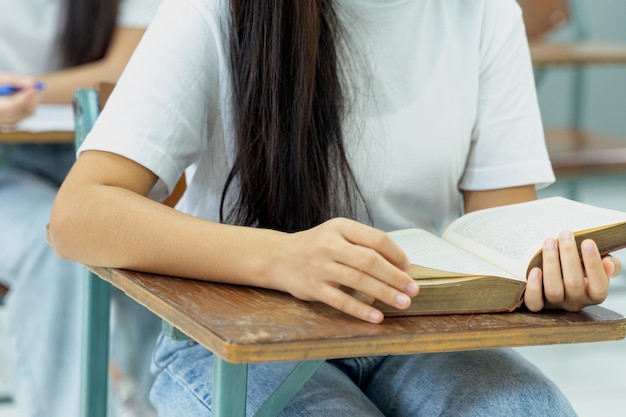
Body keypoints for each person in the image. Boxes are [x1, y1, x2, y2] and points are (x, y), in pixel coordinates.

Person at [49, 0, 621, 415]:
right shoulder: (211, 11)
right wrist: (283, 258)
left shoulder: (486, 15)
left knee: (530, 408)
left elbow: (503, 232)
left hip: (418, 333)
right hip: (241, 342)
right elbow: (78, 216)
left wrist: (545, 280)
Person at [0, 1, 163, 416]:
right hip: (9, 173)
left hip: (104, 159)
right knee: (53, 246)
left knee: (160, 245)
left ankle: (152, 403)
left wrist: (22, 88)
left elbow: (125, 69)